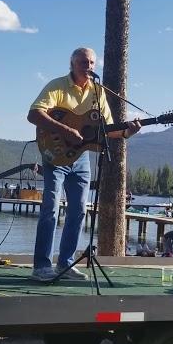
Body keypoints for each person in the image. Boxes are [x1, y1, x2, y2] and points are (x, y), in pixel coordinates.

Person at [27, 47, 142, 281]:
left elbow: (107, 130)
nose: (88, 66)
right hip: (55, 154)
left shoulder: (98, 92)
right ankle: (41, 266)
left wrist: (128, 133)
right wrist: (66, 129)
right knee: (49, 209)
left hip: (81, 159)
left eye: (91, 63)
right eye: (83, 62)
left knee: (78, 211)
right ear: (72, 64)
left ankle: (65, 264)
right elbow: (34, 114)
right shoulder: (57, 86)